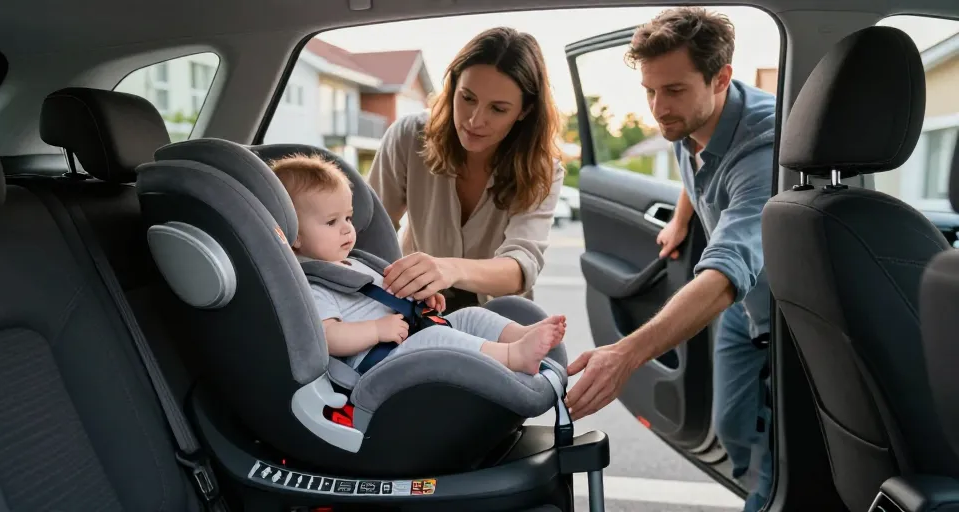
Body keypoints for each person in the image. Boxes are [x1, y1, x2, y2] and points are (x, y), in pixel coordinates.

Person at [563, 8, 776, 512]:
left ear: (721, 77)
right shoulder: (692, 119)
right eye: (649, 91)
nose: (659, 109)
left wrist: (626, 353)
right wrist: (683, 218)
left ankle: (770, 493)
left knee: (771, 455)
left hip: (780, 311)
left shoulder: (763, 147)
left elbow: (726, 273)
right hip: (742, 310)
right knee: (731, 423)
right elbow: (695, 164)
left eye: (674, 90)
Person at [270, 153, 567, 375]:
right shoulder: (311, 284)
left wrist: (416, 299)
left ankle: (522, 336)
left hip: (408, 333)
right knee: (439, 338)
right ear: (294, 234)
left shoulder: (356, 263)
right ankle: (514, 356)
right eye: (332, 222)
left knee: (472, 316)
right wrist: (376, 330)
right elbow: (328, 337)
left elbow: (385, 296)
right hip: (381, 360)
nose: (347, 229)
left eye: (348, 217)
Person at [366, 26, 565, 312]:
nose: (474, 120)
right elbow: (373, 230)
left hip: (498, 316)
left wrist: (450, 269)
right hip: (415, 305)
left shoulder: (542, 170)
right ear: (453, 87)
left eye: (497, 109)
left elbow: (522, 265)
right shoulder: (408, 136)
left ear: (524, 111)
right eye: (468, 98)